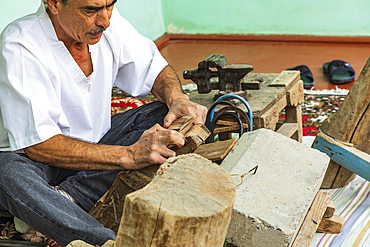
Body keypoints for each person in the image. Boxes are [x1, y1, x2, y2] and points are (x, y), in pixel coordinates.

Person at [0, 0, 207, 246]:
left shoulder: (105, 22)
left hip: (99, 149)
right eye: (90, 10)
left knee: (170, 115)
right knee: (8, 173)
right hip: (38, 161)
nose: (105, 20)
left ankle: (64, 200)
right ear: (54, 3)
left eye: (109, 5)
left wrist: (177, 98)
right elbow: (40, 146)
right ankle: (106, 241)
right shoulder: (21, 45)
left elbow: (154, 69)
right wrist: (129, 155)